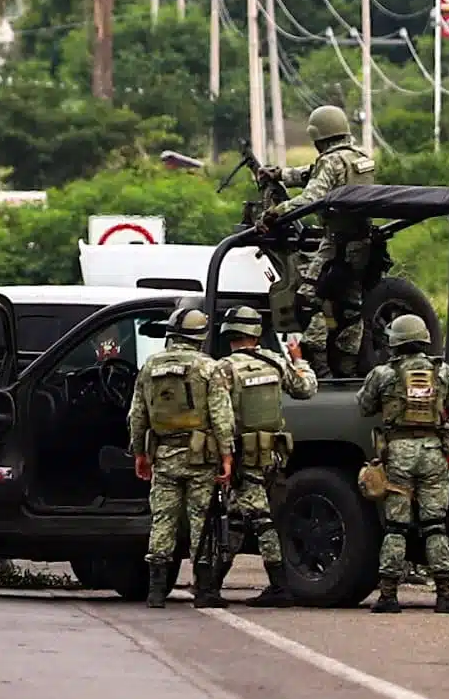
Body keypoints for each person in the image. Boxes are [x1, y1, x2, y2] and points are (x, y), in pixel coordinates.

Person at [353, 312, 449, 612]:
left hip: (399, 453)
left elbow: (364, 407)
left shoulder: (384, 374)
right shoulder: (443, 373)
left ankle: (389, 595)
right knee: (435, 525)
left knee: (396, 526)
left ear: (395, 342)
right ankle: (444, 595)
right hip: (433, 453)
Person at [125, 307, 235, 609]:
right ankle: (203, 589)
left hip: (163, 455)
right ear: (200, 337)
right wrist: (227, 455)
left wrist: (140, 453)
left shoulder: (150, 366)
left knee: (163, 520)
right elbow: (221, 416)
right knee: (202, 520)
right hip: (200, 457)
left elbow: (137, 416)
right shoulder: (208, 368)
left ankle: (157, 590)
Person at [213, 306, 319, 606]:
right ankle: (213, 582)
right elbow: (306, 389)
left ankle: (279, 585)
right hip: (272, 454)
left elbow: (219, 415)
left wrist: (222, 453)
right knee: (238, 515)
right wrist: (299, 360)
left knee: (259, 518)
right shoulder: (274, 362)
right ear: (256, 333)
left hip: (241, 453)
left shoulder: (224, 369)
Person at [277, 104, 378, 376]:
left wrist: (276, 213)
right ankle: (347, 369)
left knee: (308, 299)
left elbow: (311, 196)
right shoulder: (359, 159)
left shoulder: (330, 161)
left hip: (337, 244)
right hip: (363, 244)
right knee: (350, 308)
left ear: (318, 137)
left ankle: (320, 366)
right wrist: (281, 175)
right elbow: (314, 175)